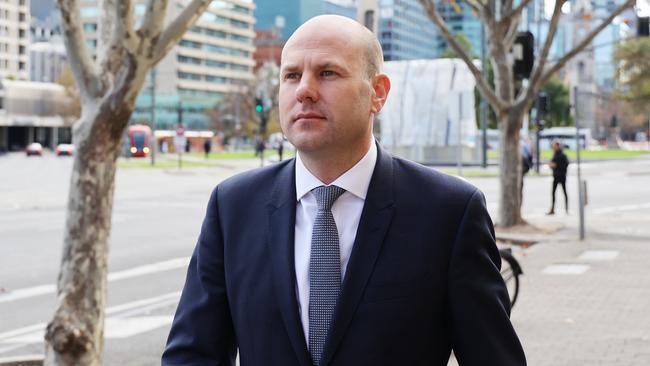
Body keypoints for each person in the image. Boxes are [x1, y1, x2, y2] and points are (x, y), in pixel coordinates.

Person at [162, 15, 526, 366]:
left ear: (377, 93)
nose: (304, 89)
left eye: (327, 73)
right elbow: (193, 354)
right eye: (291, 75)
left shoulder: (449, 212)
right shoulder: (233, 207)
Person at [547, 140, 569, 215]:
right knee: (553, 193)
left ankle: (566, 209)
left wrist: (556, 165)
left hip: (562, 176)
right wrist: (551, 165)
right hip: (556, 176)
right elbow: (552, 163)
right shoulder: (555, 154)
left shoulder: (562, 155)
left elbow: (565, 164)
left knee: (564, 192)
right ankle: (552, 209)